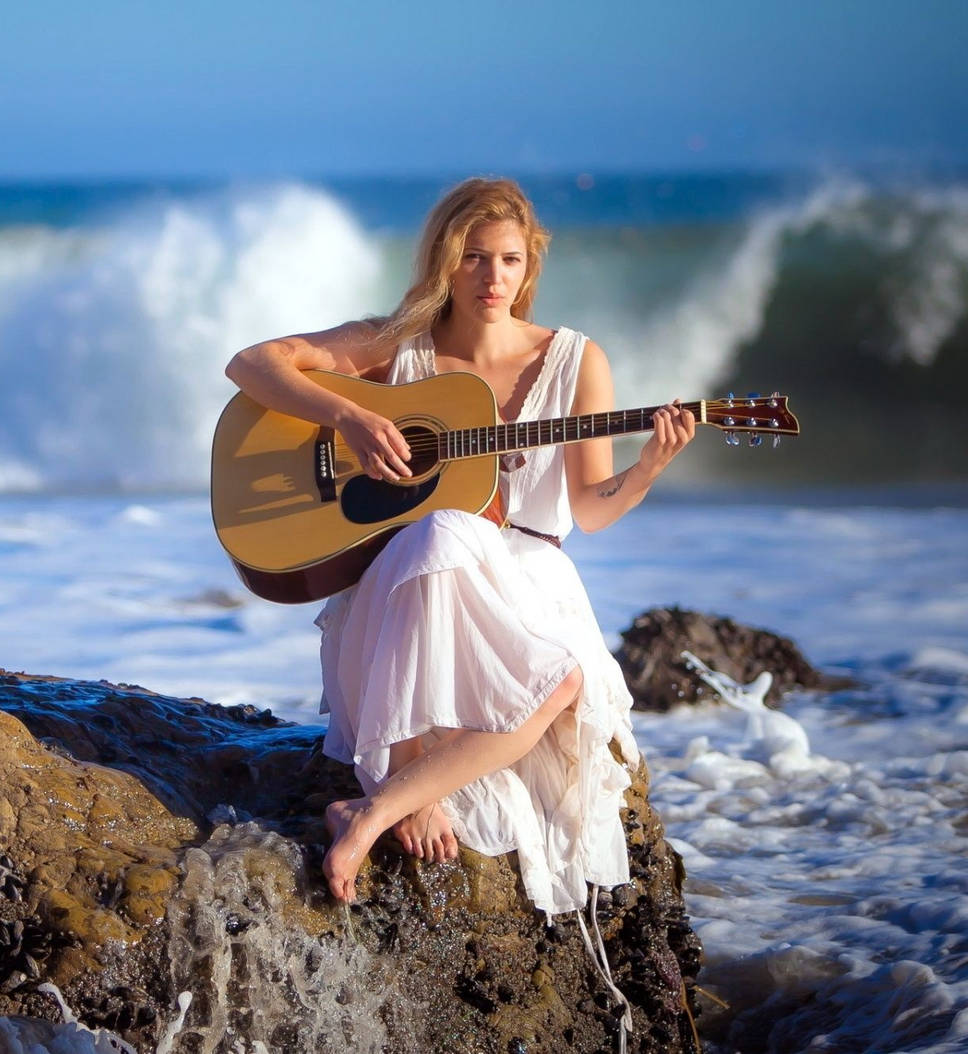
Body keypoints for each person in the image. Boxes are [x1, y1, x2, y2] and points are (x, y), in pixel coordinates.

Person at [223, 178, 696, 912]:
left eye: (509, 260)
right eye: (474, 258)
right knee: (445, 529)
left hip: (528, 582)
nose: (493, 277)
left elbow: (591, 510)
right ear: (445, 260)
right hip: (412, 587)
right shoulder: (397, 346)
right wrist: (346, 416)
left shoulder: (575, 362)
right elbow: (252, 364)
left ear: (529, 266)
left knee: (563, 680)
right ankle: (408, 777)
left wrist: (647, 468)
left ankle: (374, 809)